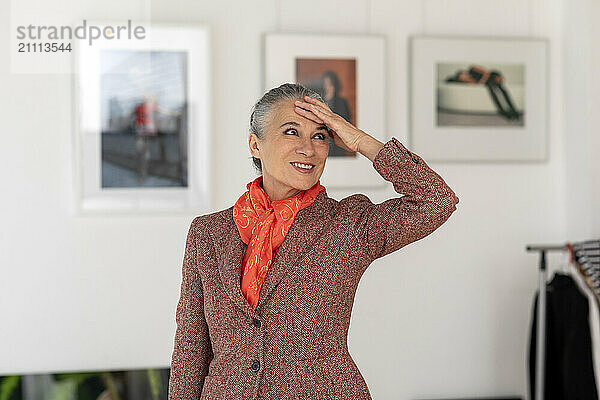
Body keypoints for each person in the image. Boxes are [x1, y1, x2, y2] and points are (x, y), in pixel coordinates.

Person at [168, 83, 460, 399]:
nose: (308, 149)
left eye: (320, 135)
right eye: (291, 132)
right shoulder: (208, 233)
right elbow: (191, 347)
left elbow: (437, 201)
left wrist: (359, 140)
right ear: (255, 145)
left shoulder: (349, 224)